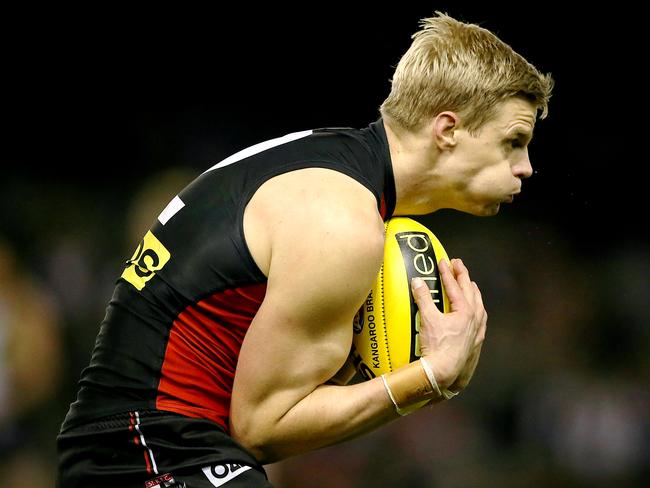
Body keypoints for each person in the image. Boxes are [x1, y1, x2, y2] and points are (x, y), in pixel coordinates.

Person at [56, 12, 553, 488]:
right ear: (447, 130)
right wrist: (431, 376)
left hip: (136, 446)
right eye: (513, 141)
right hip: (148, 453)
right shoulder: (343, 224)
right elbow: (262, 427)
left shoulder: (330, 163)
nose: (526, 166)